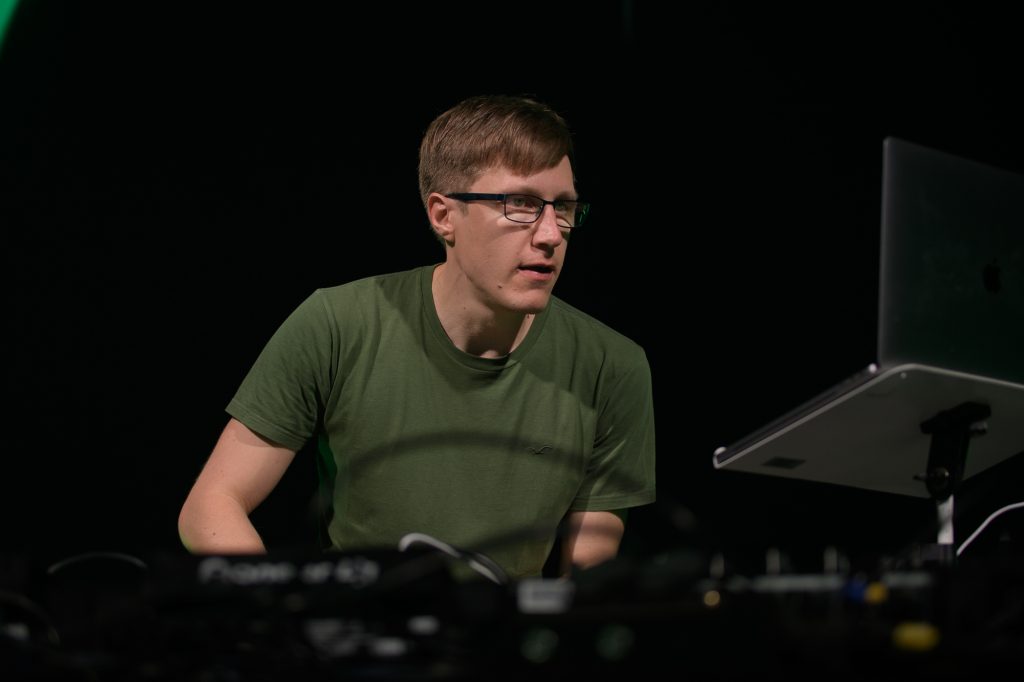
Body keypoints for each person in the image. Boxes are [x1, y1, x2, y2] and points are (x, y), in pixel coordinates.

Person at [177, 94, 656, 580]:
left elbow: (590, 577)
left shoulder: (611, 366)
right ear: (444, 216)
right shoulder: (338, 324)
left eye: (564, 208)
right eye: (521, 205)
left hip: (500, 627)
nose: (551, 234)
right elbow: (211, 504)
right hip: (360, 623)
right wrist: (285, 609)